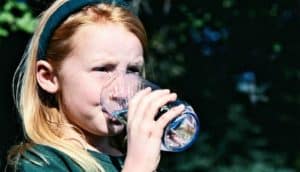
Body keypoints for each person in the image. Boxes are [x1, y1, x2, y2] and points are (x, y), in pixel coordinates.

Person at [6, 0, 185, 171]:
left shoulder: (131, 157)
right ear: (49, 77)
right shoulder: (40, 163)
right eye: (102, 69)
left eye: (132, 70)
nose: (122, 92)